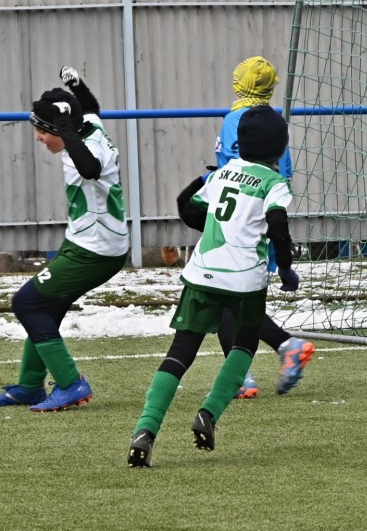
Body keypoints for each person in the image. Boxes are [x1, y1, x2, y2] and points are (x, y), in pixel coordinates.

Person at [127, 105, 300, 467]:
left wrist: (204, 187)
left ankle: (145, 430)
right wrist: (286, 268)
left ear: (239, 144)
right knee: (244, 345)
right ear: (281, 149)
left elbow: (188, 209)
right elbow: (278, 227)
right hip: (244, 280)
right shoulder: (274, 183)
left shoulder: (223, 173)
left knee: (180, 351)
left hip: (202, 273)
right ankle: (208, 413)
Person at [0, 67, 129, 411]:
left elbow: (90, 169)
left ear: (61, 129)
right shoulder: (88, 126)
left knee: (27, 303)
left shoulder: (86, 150)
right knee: (45, 308)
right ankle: (30, 386)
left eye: (42, 131)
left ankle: (71, 384)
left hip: (96, 251)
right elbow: (90, 107)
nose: (38, 137)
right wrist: (76, 86)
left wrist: (62, 127)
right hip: (85, 243)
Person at [212, 56, 314, 398]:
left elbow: (233, 169)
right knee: (237, 301)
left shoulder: (235, 120)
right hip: (265, 219)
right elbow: (284, 176)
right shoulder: (275, 123)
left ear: (239, 84)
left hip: (237, 222)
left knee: (225, 301)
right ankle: (254, 366)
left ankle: (262, 361)